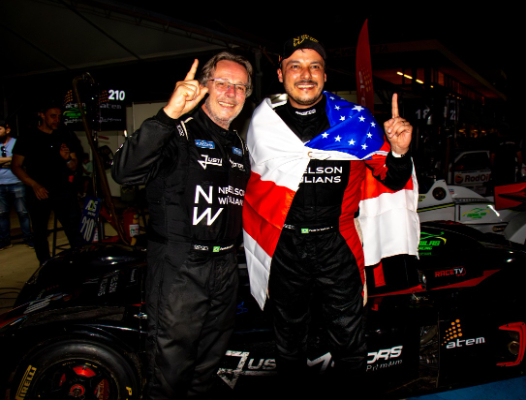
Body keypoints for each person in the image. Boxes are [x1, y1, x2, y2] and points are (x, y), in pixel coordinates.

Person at [242, 35, 419, 396]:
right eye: (295, 66)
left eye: (315, 66)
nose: (305, 74)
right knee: (288, 342)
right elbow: (249, 186)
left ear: (325, 75)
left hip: (338, 245)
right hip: (284, 247)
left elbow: (392, 178)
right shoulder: (262, 123)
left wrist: (399, 152)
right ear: (281, 74)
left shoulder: (355, 122)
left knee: (349, 341)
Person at [112, 52, 252, 399]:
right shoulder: (177, 131)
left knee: (207, 369)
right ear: (203, 87)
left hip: (225, 267)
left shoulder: (238, 144)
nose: (231, 93)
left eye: (240, 87)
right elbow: (125, 172)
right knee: (168, 374)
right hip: (180, 267)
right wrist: (169, 113)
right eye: (222, 83)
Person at [11, 105, 84, 263]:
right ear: (42, 115)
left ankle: (79, 263)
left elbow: (73, 165)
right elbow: (16, 166)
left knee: (74, 230)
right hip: (39, 191)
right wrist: (34, 185)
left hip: (63, 190)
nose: (56, 120)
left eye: (59, 116)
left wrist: (67, 159)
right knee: (40, 232)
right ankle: (45, 266)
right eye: (52, 116)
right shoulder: (28, 136)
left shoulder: (65, 135)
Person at [0, 119, 34, 250]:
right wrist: (11, 160)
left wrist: (7, 161)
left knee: (22, 212)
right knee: (2, 214)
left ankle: (28, 238)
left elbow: (21, 160)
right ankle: (5, 241)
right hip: (0, 183)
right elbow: (14, 161)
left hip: (17, 182)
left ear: (7, 129)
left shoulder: (16, 142)